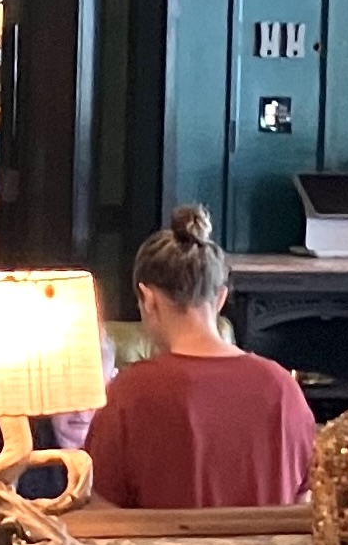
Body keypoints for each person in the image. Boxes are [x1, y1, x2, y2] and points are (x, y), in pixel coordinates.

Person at [83, 203, 315, 510]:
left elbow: (103, 513)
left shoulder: (129, 393)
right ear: (220, 298)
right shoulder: (283, 387)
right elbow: (304, 505)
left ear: (148, 299)